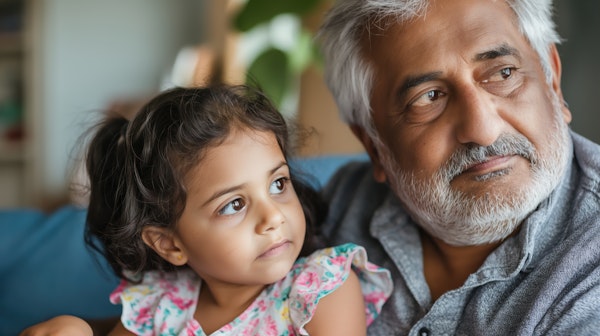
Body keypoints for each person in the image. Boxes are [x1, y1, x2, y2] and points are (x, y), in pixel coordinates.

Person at [316, 0, 600, 334]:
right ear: (374, 146)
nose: (482, 130)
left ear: (552, 81)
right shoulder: (338, 209)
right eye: (429, 97)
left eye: (503, 73)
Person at [21, 85, 392, 335]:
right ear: (169, 244)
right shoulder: (159, 306)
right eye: (234, 204)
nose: (274, 217)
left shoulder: (321, 290)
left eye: (278, 184)